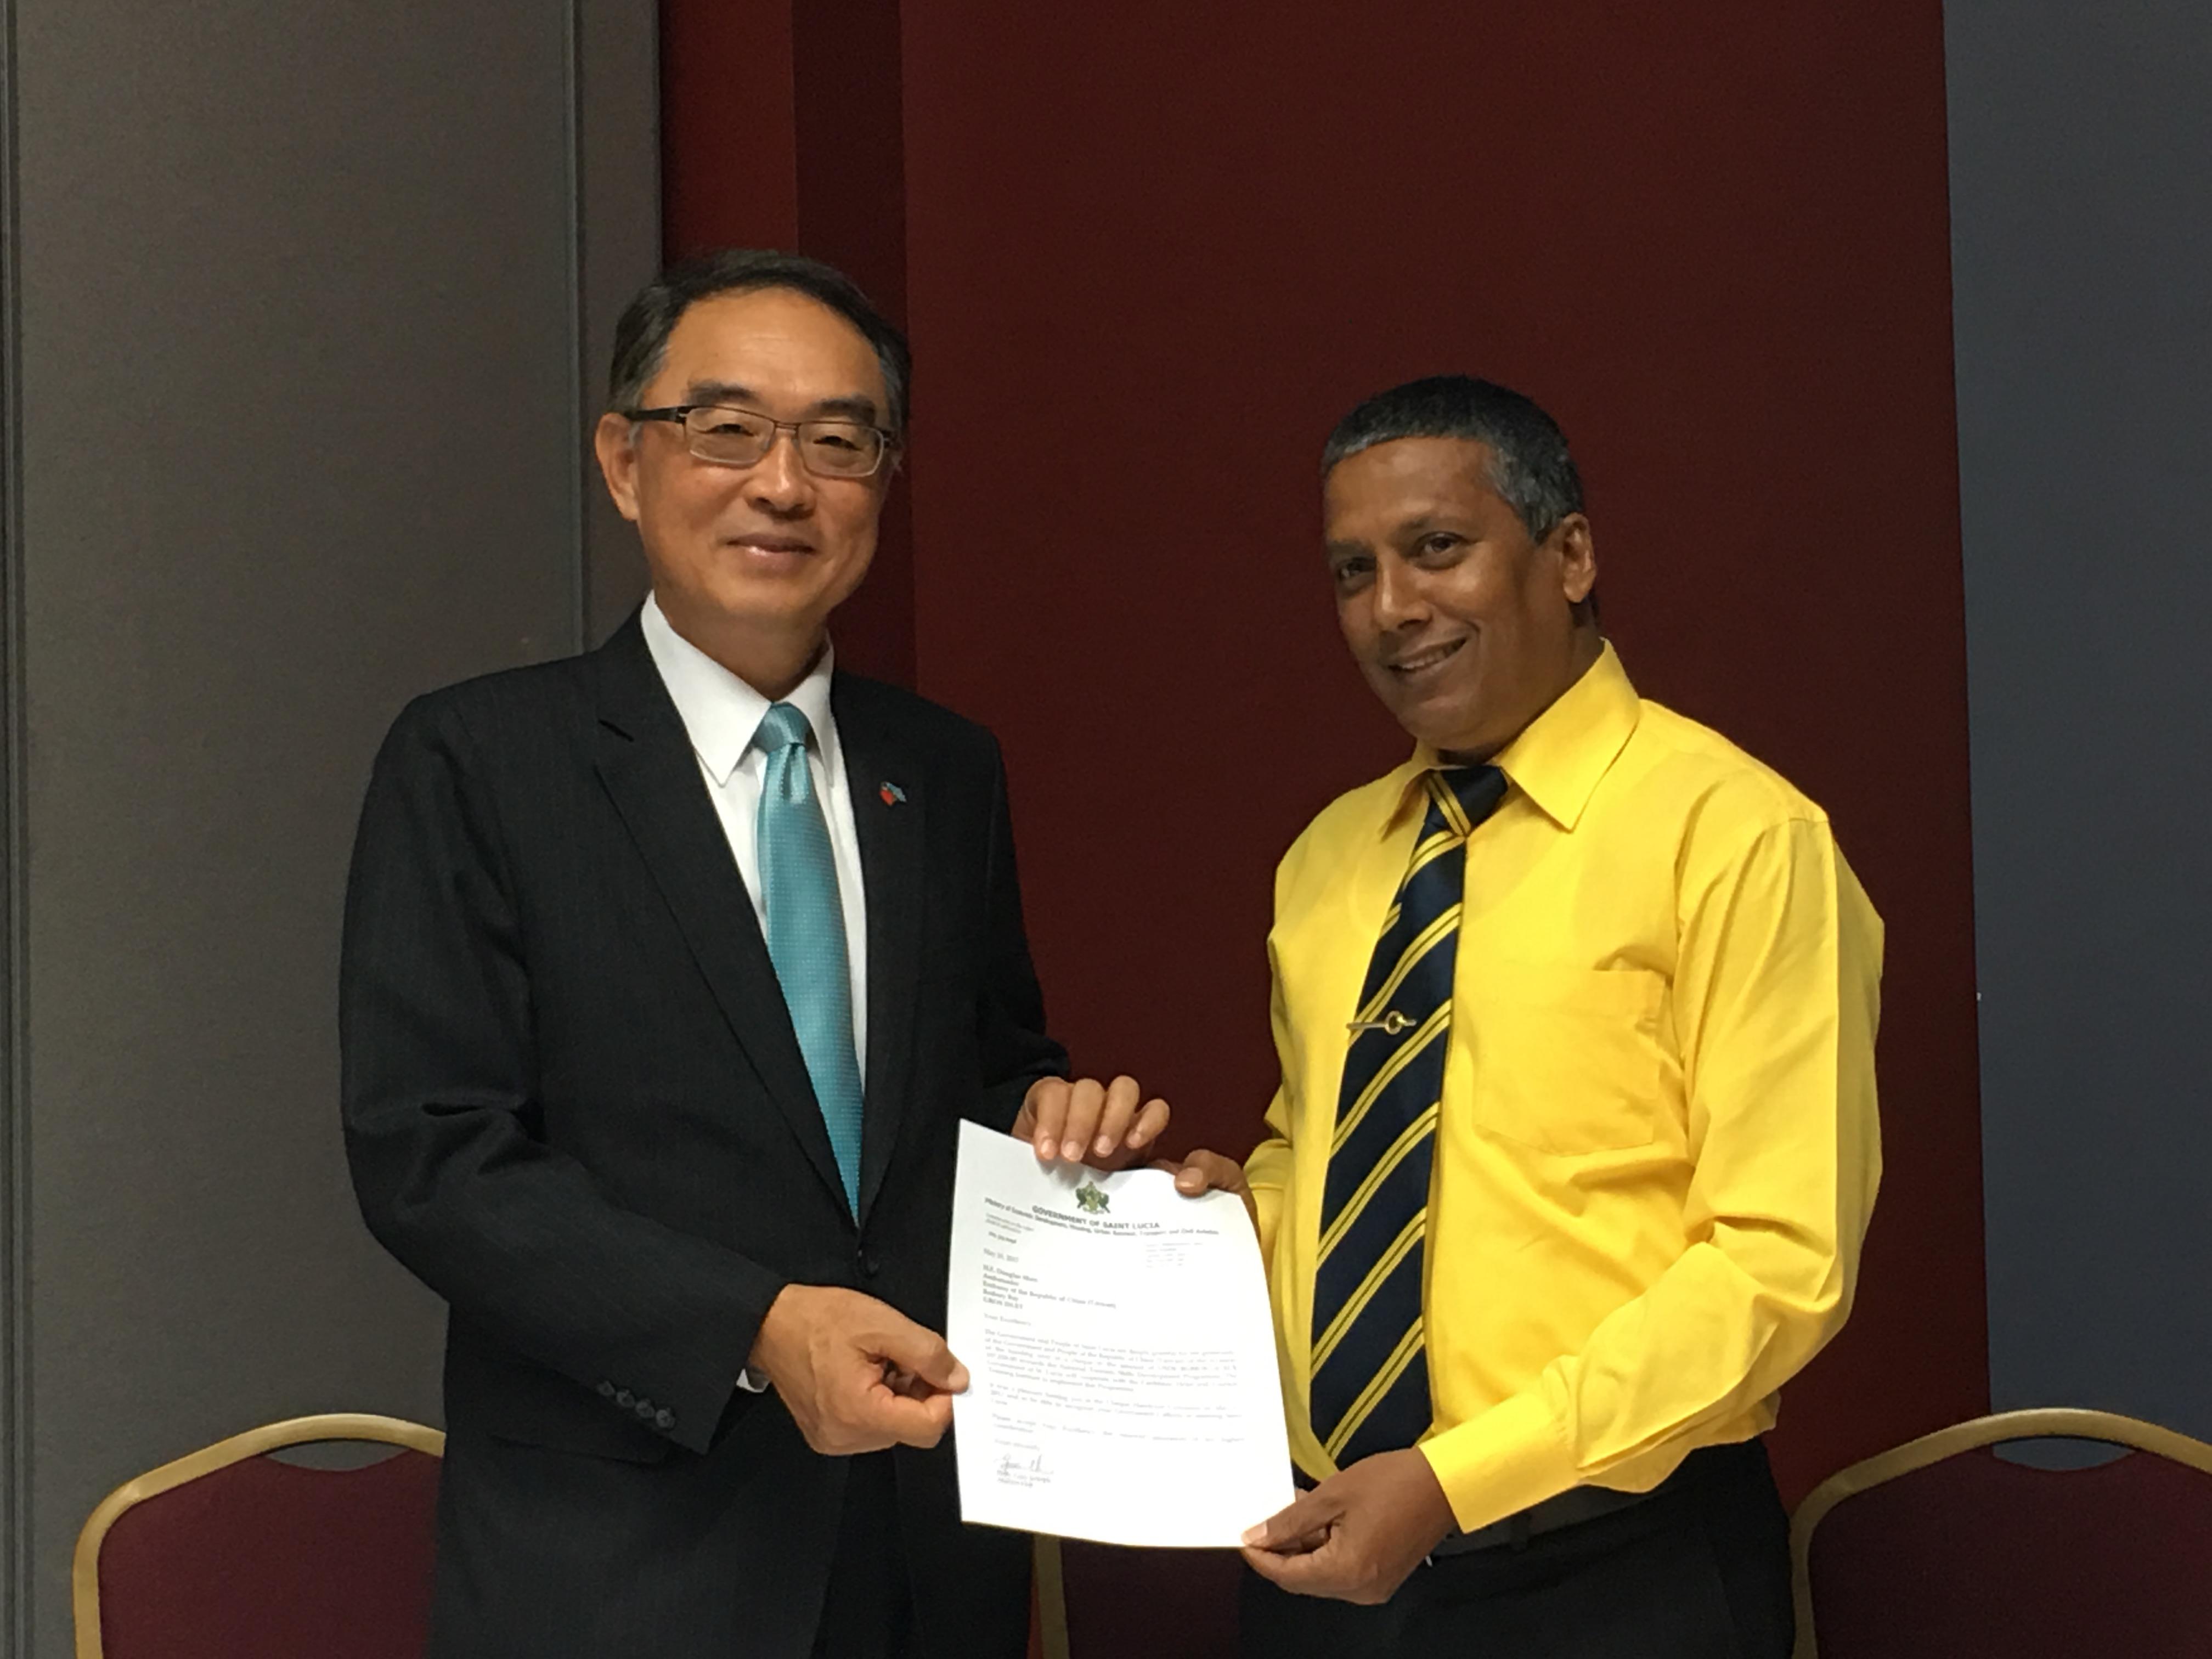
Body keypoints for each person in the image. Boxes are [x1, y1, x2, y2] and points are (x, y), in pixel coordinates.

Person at [340, 249, 1165, 1659]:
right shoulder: (480, 760)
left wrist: (1068, 1135)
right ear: (624, 462)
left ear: (884, 483)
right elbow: (432, 1158)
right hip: (621, 1567)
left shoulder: (943, 772)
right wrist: (756, 1327)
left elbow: (986, 1075)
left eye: (840, 442)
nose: (783, 485)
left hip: (923, 1558)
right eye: (726, 430)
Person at [1170, 375, 1882, 1657]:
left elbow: (1780, 1266)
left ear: (1571, 555)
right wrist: (1232, 1226)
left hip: (1618, 1575)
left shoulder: (1737, 839)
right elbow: (1315, 1151)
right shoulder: (1329, 860)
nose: (1393, 607)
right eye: (1352, 571)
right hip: (1327, 1566)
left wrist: (1457, 1480)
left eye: (1438, 547)